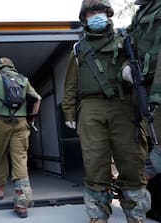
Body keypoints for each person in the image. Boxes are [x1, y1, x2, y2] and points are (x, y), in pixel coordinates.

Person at [62, 0, 151, 222]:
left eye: (100, 11)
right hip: (91, 109)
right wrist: (69, 112)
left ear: (108, 13)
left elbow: (141, 67)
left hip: (123, 105)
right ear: (84, 18)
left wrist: (129, 71)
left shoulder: (126, 40)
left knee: (131, 162)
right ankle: (97, 216)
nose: (97, 15)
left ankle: (136, 214)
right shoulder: (77, 49)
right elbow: (71, 84)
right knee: (94, 165)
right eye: (92, 12)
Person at [0, 57, 41, 218]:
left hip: (0, 123)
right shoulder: (23, 79)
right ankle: (22, 203)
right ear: (12, 67)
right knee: (20, 158)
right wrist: (32, 118)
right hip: (21, 123)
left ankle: (0, 189)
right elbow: (38, 99)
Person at [129, 0, 161, 221]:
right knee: (148, 144)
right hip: (144, 89)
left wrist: (157, 93)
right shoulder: (140, 15)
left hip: (155, 89)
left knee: (157, 149)